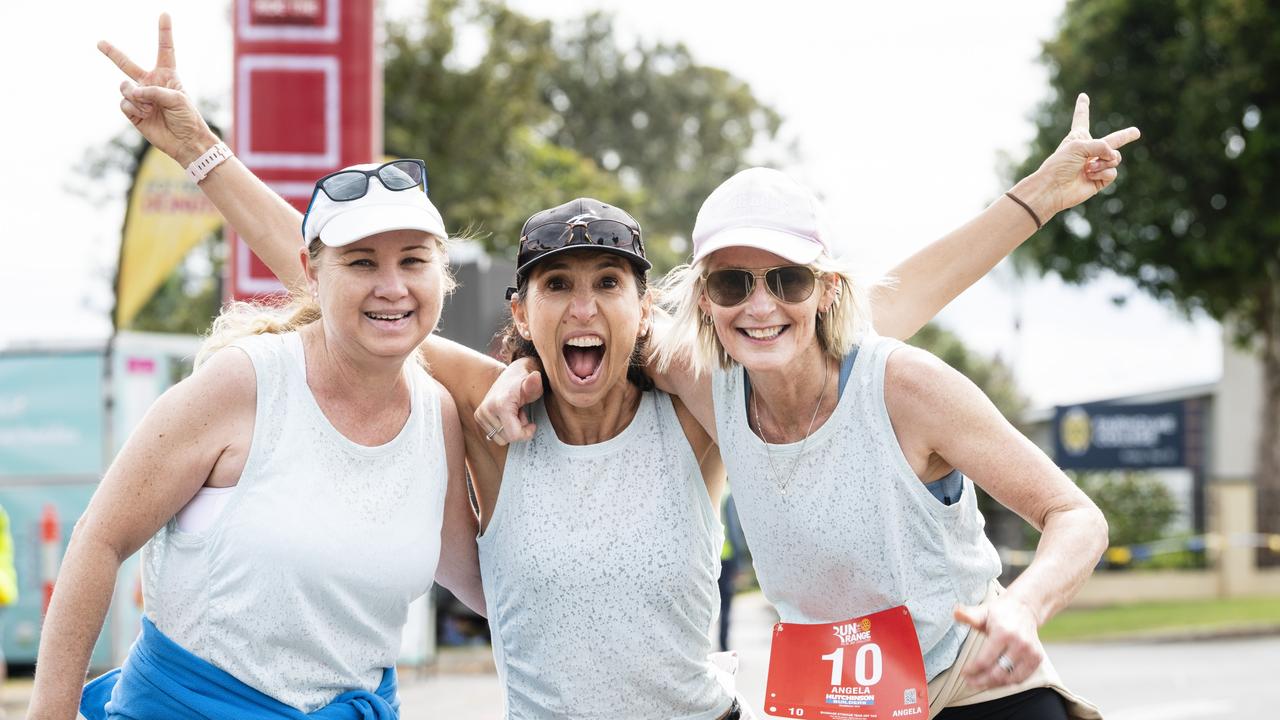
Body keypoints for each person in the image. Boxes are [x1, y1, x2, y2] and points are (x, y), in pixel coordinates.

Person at [480, 107, 1137, 719]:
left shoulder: (903, 386)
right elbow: (588, 333)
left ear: (825, 289)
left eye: (787, 280)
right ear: (703, 299)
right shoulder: (706, 380)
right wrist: (523, 371)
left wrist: (1023, 608)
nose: (760, 306)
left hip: (974, 689)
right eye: (733, 283)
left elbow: (1076, 515)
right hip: (845, 704)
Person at [28, 152, 484, 716]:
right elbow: (100, 539)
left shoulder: (436, 415)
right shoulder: (244, 383)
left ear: (441, 276)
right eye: (362, 264)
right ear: (312, 274)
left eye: (413, 261)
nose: (392, 287)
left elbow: (483, 582)